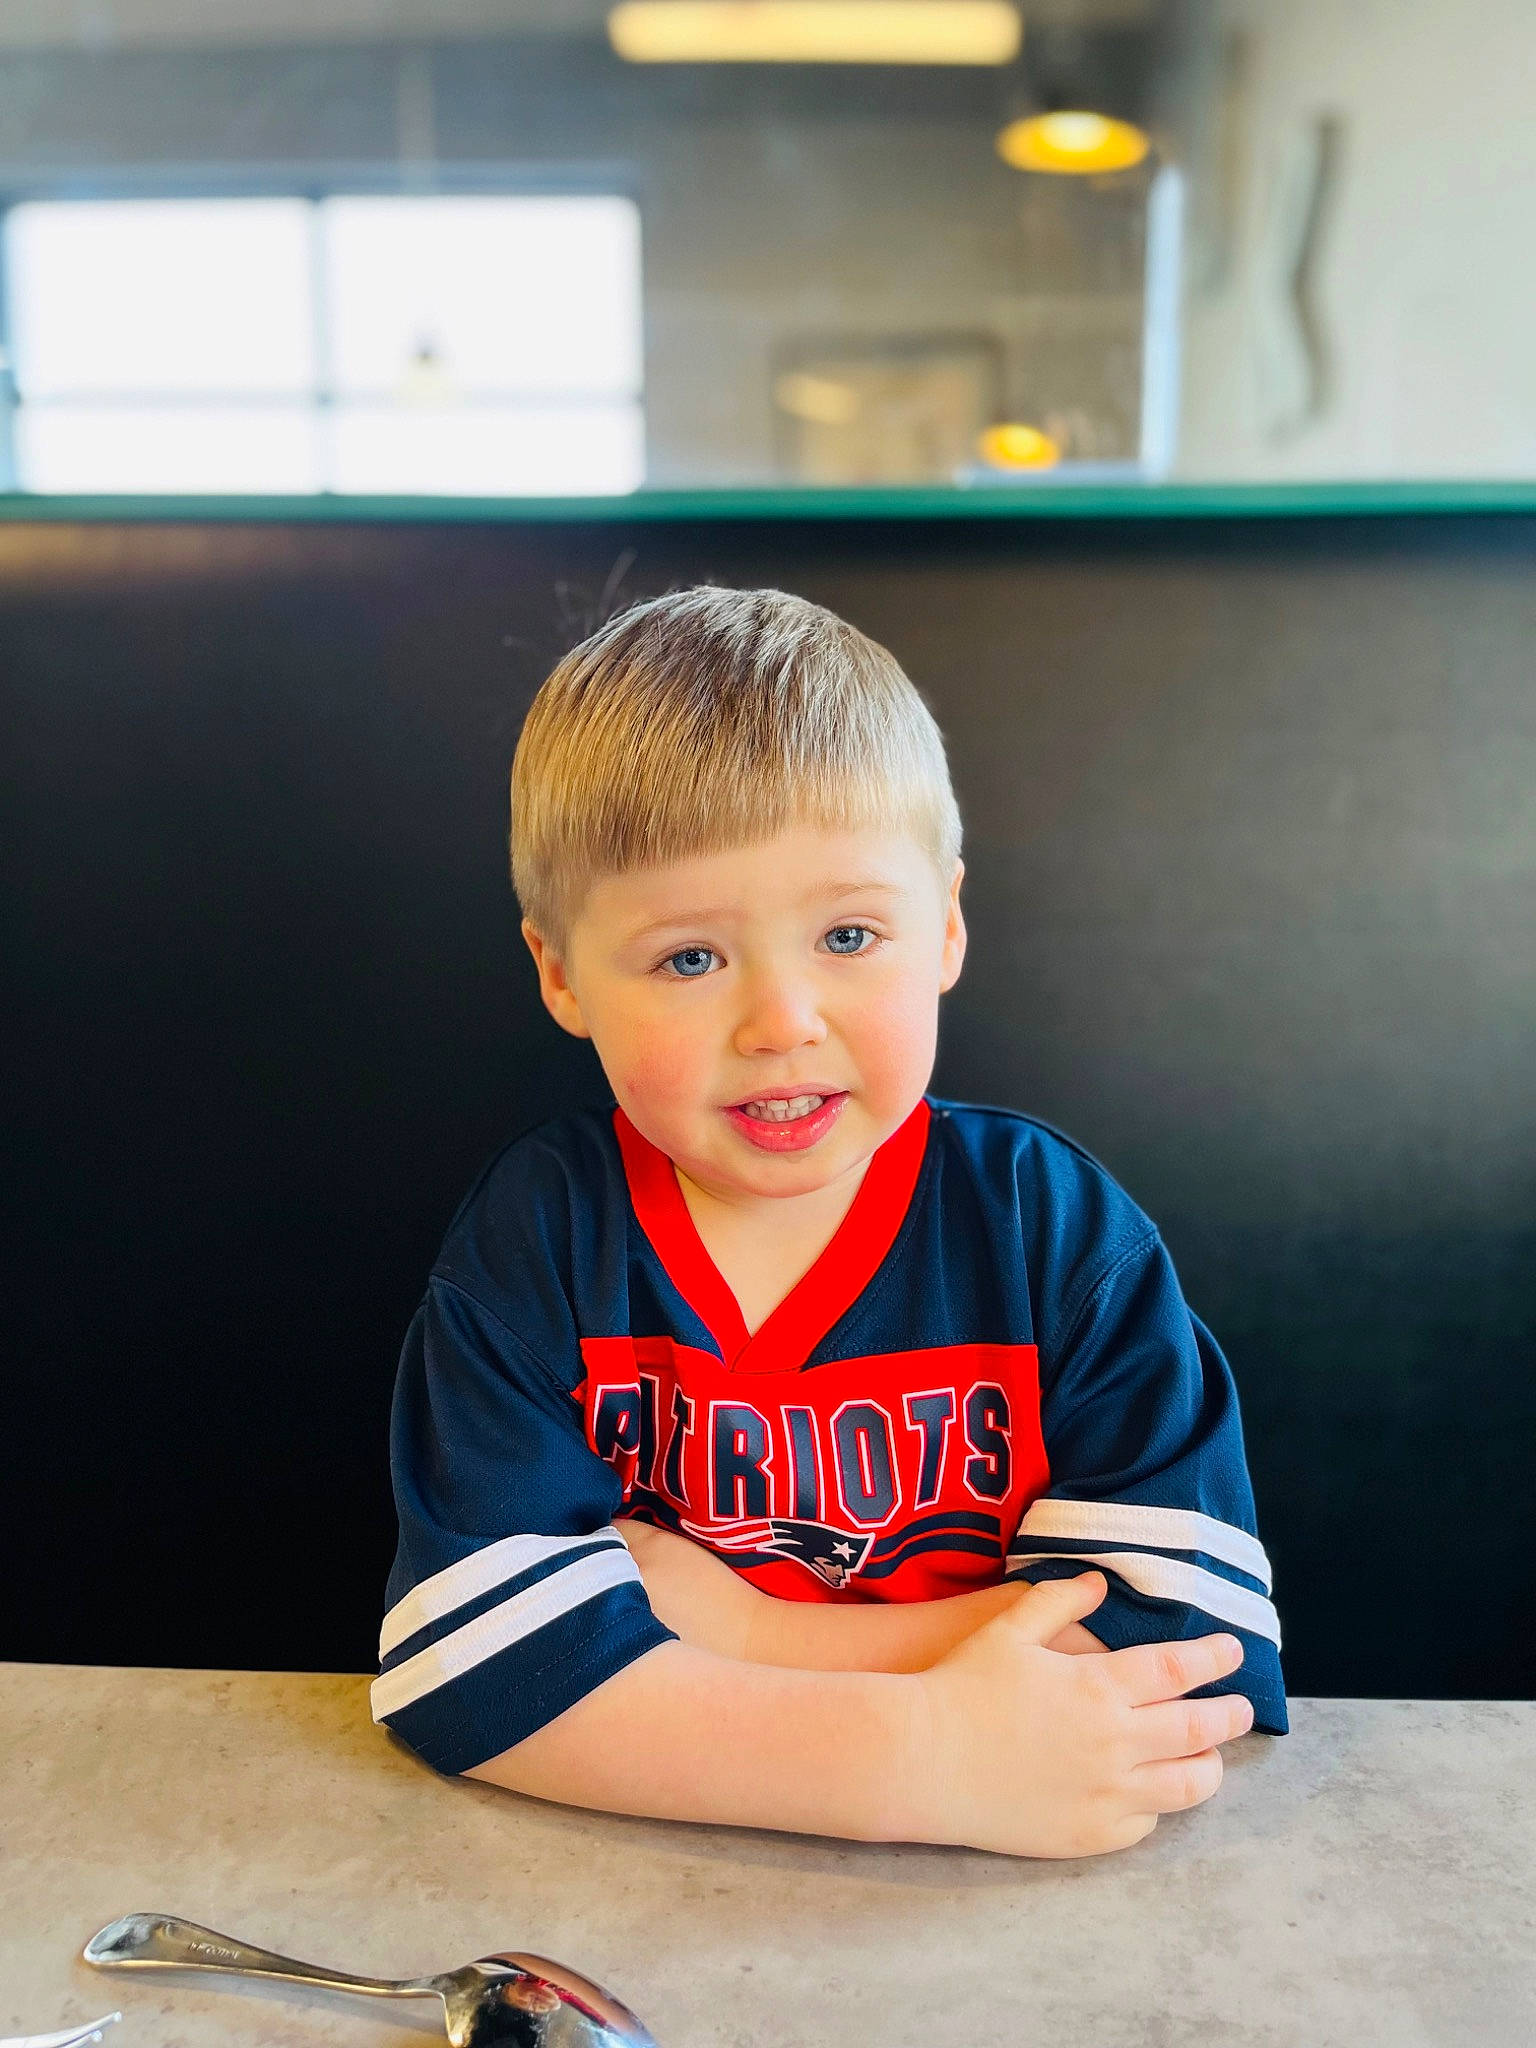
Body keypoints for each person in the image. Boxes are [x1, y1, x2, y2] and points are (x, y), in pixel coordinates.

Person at [372, 585, 1286, 1860]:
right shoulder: (543, 1236)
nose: (782, 1019)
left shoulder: (1050, 1227)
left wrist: (740, 1633)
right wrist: (924, 1753)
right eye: (691, 957)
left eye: (849, 932)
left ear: (948, 923)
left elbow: (1189, 1652)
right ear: (562, 972)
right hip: (646, 1894)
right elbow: (476, 1674)